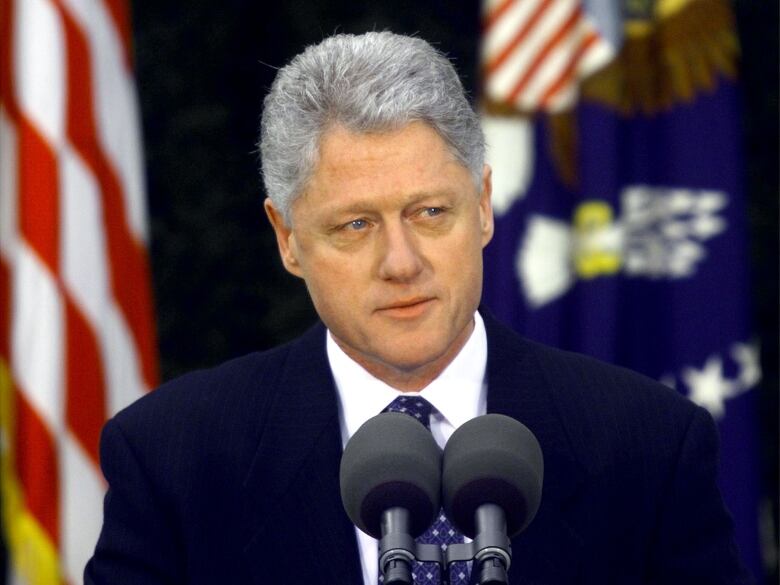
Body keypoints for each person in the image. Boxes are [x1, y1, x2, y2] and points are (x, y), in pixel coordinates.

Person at [84, 31, 751, 585]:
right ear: (287, 239)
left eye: (430, 212)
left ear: (484, 205)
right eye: (355, 225)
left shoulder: (649, 446)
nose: (401, 261)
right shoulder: (174, 459)